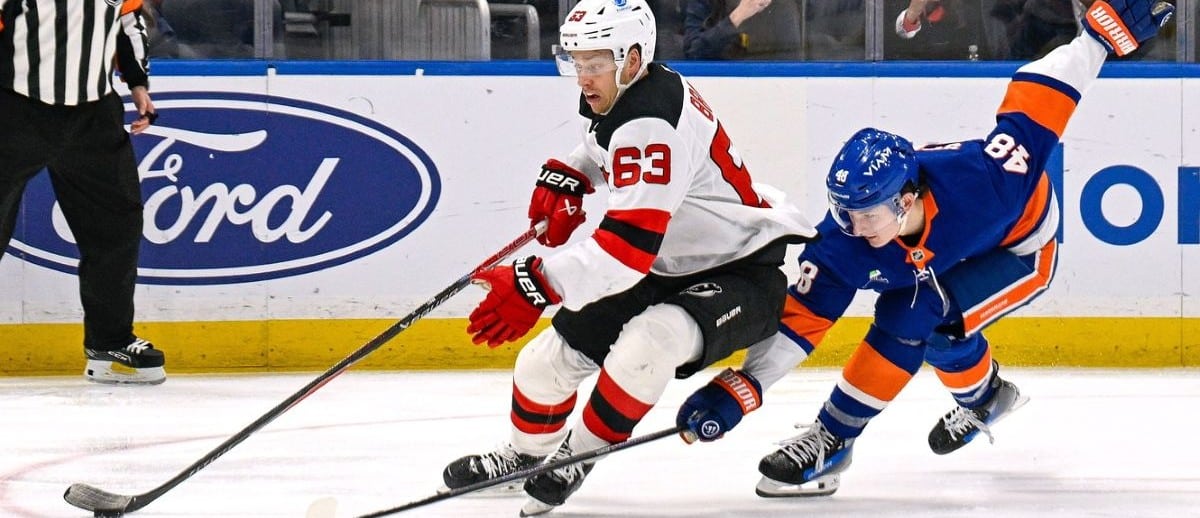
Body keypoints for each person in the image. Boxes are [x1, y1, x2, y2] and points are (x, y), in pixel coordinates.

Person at [675, 0, 1174, 497]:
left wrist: (1093, 41)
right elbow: (800, 321)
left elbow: (1040, 93)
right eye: (844, 210)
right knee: (936, 328)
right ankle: (986, 398)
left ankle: (834, 438)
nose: (853, 225)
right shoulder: (843, 242)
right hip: (948, 254)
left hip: (1019, 247)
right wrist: (743, 387)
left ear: (907, 198)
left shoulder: (987, 178)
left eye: (867, 212)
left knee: (917, 314)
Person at [439, 0, 816, 515]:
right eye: (577, 63)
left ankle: (575, 457)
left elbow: (623, 254)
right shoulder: (633, 90)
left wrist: (535, 282)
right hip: (667, 263)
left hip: (740, 270)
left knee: (651, 341)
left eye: (595, 64)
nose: (583, 78)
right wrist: (571, 173)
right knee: (542, 366)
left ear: (633, 58)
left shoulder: (650, 124)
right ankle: (525, 459)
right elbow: (604, 149)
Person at [0, 0, 166, 385]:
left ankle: (109, 341)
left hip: (94, 115)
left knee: (116, 225)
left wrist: (138, 84)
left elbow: (129, 22)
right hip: (15, 108)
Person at [682, 0, 803, 59]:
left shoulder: (782, 7)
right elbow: (693, 53)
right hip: (716, 87)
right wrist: (737, 16)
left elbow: (792, 63)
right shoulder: (707, 3)